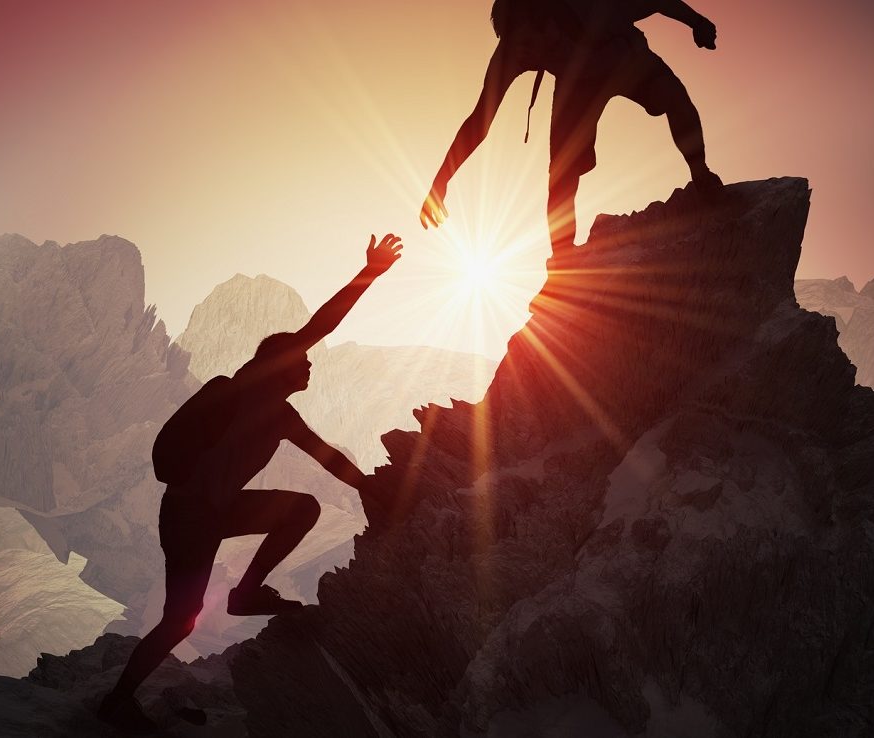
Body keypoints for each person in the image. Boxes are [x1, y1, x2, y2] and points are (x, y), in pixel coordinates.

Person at [98, 233, 404, 733]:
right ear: (280, 363)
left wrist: (377, 490)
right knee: (181, 619)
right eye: (302, 359)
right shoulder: (252, 387)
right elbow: (319, 326)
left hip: (212, 511)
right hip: (189, 516)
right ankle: (117, 702)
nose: (309, 365)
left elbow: (328, 458)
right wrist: (369, 272)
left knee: (302, 509)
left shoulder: (281, 415)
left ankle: (246, 594)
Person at [420, 0, 722, 257]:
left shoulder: (596, 7)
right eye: (522, 48)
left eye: (534, 43)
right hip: (577, 86)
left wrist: (696, 21)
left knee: (674, 98)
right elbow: (479, 123)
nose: (529, 55)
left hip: (622, 56)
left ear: (550, 21)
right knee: (561, 173)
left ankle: (701, 175)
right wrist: (441, 181)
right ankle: (562, 261)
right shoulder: (514, 51)